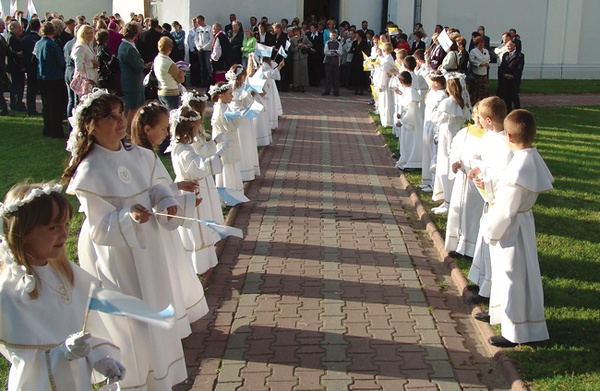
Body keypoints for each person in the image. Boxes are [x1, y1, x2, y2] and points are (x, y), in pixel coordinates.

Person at [61, 90, 194, 389]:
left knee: (156, 303)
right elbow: (98, 227)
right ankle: (136, 378)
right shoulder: (89, 171)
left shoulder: (141, 155)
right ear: (90, 126)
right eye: (110, 117)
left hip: (151, 245)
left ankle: (162, 370)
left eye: (121, 113)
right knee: (132, 318)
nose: (121, 121)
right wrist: (127, 217)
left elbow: (158, 184)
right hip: (118, 253)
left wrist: (164, 200)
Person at [0, 182, 126, 389]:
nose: (64, 234)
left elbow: (81, 328)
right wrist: (62, 354)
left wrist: (100, 358)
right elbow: (26, 362)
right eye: (53, 228)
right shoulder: (12, 291)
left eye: (66, 225)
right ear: (23, 232)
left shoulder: (64, 273)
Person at [480, 109, 553, 347]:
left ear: (509, 137)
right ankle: (507, 318)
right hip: (524, 223)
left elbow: (505, 209)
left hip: (512, 228)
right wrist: (488, 185)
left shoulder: (517, 171)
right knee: (517, 275)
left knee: (514, 277)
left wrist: (488, 227)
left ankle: (515, 332)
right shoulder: (530, 158)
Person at [130, 100, 210, 307]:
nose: (167, 133)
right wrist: (180, 198)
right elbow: (149, 194)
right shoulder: (142, 157)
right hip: (155, 226)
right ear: (147, 129)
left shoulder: (150, 155)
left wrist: (178, 187)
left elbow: (159, 188)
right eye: (163, 128)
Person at [168, 103, 226, 275]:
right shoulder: (184, 150)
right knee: (196, 229)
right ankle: (198, 265)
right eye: (195, 128)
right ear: (188, 130)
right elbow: (198, 166)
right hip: (190, 189)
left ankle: (204, 261)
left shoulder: (180, 146)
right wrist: (219, 154)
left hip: (192, 186)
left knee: (199, 226)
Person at [466, 96, 511, 308]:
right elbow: (484, 161)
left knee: (493, 246)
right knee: (484, 243)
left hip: (498, 201)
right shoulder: (489, 137)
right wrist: (478, 169)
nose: (479, 123)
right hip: (488, 198)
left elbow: (505, 174)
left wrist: (487, 181)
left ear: (490, 120)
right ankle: (483, 280)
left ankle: (490, 289)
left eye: (481, 119)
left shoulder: (505, 144)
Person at [444, 103, 485, 257]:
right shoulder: (464, 133)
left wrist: (472, 165)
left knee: (473, 214)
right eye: (477, 117)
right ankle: (458, 244)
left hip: (476, 182)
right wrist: (456, 163)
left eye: (483, 118)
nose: (479, 121)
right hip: (462, 178)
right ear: (473, 116)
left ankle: (471, 248)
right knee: (459, 210)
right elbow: (454, 150)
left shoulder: (489, 137)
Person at [431, 74, 471, 215]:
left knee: (446, 165)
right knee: (444, 165)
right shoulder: (458, 102)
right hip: (451, 132)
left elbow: (435, 117)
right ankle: (446, 199)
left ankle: (449, 201)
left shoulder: (448, 102)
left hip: (447, 133)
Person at [33, 21, 67, 138]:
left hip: (41, 76)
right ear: (53, 31)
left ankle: (47, 128)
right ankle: (56, 131)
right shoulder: (52, 44)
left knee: (46, 104)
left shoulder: (38, 43)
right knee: (55, 105)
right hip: (54, 77)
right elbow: (61, 62)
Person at [227, 64, 261, 181]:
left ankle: (239, 171)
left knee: (237, 143)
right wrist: (255, 93)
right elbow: (249, 102)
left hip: (232, 118)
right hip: (244, 120)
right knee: (246, 143)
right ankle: (247, 170)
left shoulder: (228, 88)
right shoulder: (244, 89)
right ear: (241, 77)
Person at [209, 81, 243, 192]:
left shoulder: (224, 107)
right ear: (221, 95)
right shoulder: (220, 109)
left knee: (232, 166)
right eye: (229, 93)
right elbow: (230, 127)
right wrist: (239, 117)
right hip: (225, 143)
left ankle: (235, 192)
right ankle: (229, 195)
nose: (232, 96)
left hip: (230, 141)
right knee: (227, 168)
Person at [420, 73, 448, 192]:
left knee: (434, 153)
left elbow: (437, 112)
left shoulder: (442, 96)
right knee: (427, 152)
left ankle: (434, 182)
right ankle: (427, 179)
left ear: (436, 83)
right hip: (428, 124)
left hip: (434, 126)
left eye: (431, 81)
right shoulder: (432, 93)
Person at [118, 21, 146, 133]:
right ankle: (128, 133)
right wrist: (142, 63)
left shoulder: (124, 45)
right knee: (134, 108)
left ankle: (124, 131)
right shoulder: (128, 48)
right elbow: (138, 66)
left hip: (129, 80)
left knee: (129, 107)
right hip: (132, 81)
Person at [394, 71, 424, 170]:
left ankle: (412, 162)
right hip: (408, 120)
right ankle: (405, 159)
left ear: (401, 83)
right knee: (406, 141)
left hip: (412, 122)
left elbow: (411, 110)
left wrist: (402, 121)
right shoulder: (408, 91)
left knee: (411, 141)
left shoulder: (411, 92)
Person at [153, 36, 185, 110]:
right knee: (172, 116)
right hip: (170, 92)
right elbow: (180, 80)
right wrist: (182, 74)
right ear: (170, 48)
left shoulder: (157, 59)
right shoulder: (169, 63)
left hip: (161, 91)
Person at [497, 41, 524, 112]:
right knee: (506, 96)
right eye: (507, 46)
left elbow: (519, 68)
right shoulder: (505, 55)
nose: (508, 48)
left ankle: (518, 109)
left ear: (514, 46)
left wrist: (513, 76)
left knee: (514, 95)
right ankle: (508, 111)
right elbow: (502, 66)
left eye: (509, 46)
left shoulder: (520, 55)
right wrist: (504, 74)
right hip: (505, 79)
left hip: (514, 79)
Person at [22, 18, 42, 115]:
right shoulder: (39, 40)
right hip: (38, 68)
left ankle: (30, 109)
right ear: (39, 27)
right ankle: (43, 109)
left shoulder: (25, 39)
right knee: (41, 90)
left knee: (31, 90)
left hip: (29, 67)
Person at [6, 21, 27, 112]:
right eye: (18, 28)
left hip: (13, 67)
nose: (20, 29)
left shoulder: (12, 37)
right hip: (15, 68)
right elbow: (14, 55)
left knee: (16, 86)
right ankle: (16, 104)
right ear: (12, 28)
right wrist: (21, 66)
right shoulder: (12, 38)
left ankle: (16, 103)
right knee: (17, 86)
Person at [468, 36, 490, 105]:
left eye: (482, 44)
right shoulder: (473, 51)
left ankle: (483, 102)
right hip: (477, 73)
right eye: (480, 44)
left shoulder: (485, 51)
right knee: (475, 89)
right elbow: (472, 60)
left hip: (484, 72)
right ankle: (475, 102)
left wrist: (487, 63)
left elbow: (488, 58)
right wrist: (479, 64)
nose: (481, 45)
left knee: (484, 89)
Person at [289, 26, 311, 93]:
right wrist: (297, 47)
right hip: (296, 56)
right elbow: (291, 49)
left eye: (297, 31)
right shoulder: (292, 39)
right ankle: (296, 85)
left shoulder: (304, 37)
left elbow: (310, 44)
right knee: (296, 71)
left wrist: (304, 45)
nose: (296, 33)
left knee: (303, 71)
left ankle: (302, 85)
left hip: (303, 56)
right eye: (295, 31)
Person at [349, 30, 370, 95]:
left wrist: (358, 51)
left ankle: (361, 89)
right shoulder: (354, 42)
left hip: (361, 61)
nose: (356, 36)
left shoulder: (364, 43)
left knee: (361, 75)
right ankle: (356, 88)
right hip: (355, 60)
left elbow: (363, 51)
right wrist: (356, 51)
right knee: (355, 75)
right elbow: (352, 50)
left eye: (357, 34)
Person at [322, 30, 342, 96]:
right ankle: (327, 90)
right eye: (331, 35)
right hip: (328, 62)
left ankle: (336, 91)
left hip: (336, 63)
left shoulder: (339, 43)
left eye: (334, 35)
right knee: (328, 77)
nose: (333, 36)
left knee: (336, 77)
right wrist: (334, 52)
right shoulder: (327, 43)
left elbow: (340, 52)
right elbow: (326, 52)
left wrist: (332, 52)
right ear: (330, 36)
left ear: (336, 36)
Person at [306, 23, 323, 87]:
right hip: (310, 54)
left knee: (317, 68)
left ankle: (317, 81)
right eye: (310, 28)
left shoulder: (320, 35)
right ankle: (311, 81)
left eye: (312, 28)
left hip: (317, 54)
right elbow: (306, 42)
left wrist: (316, 49)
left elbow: (321, 43)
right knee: (310, 68)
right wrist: (310, 49)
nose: (311, 29)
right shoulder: (308, 34)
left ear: (316, 28)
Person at [0, 20, 11, 115]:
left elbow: (7, 50)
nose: (4, 28)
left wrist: (16, 54)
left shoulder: (2, 38)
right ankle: (3, 108)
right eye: (2, 26)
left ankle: (3, 108)